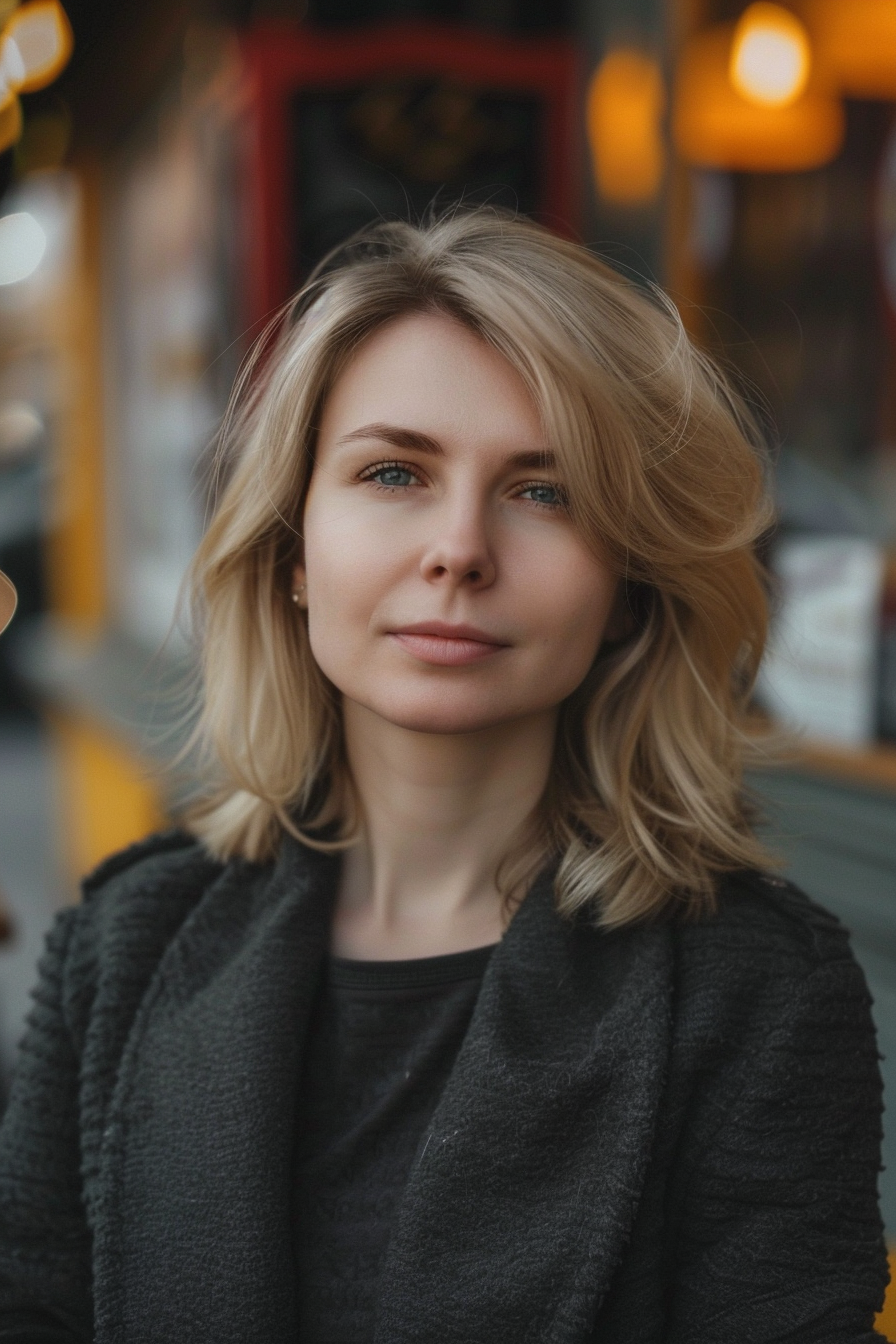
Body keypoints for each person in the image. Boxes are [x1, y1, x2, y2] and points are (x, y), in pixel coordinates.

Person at [0, 210, 887, 1343]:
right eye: (392, 472)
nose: (458, 548)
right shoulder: (123, 948)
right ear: (292, 556)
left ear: (625, 585)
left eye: (543, 491)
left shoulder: (752, 990)